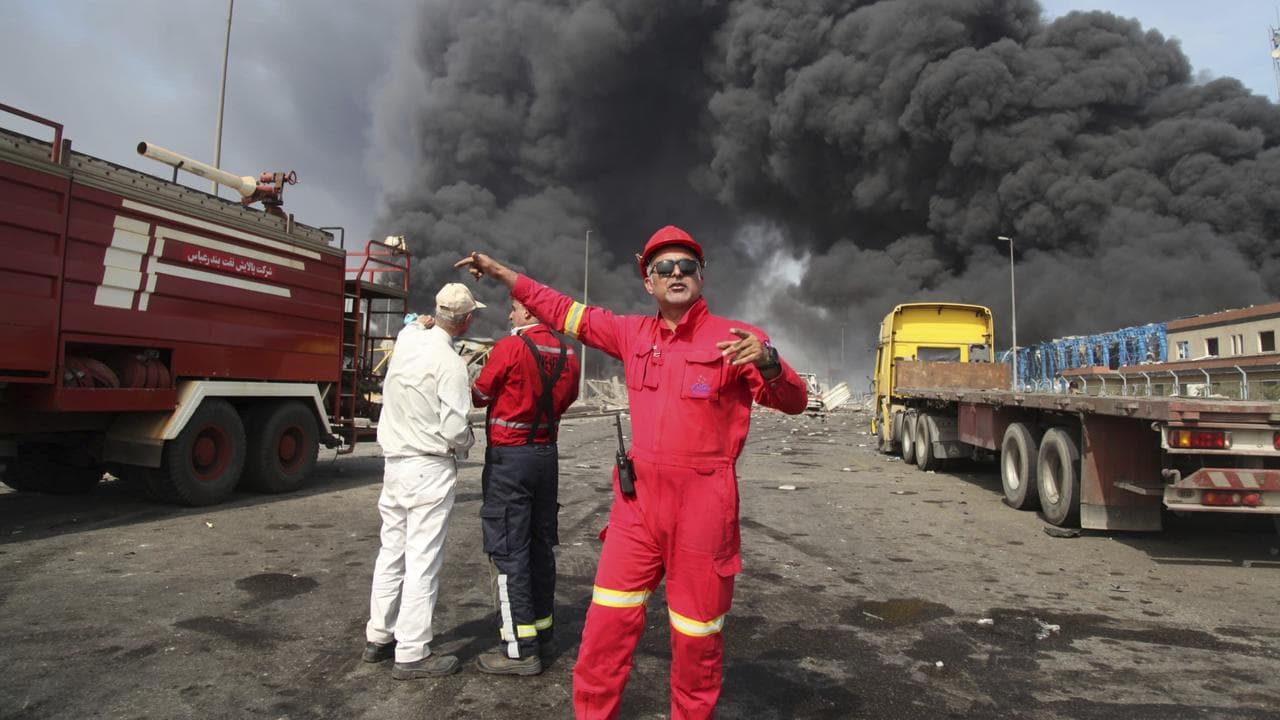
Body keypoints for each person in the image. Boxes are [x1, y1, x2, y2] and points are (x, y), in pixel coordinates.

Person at [455, 225, 808, 718]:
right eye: (664, 268)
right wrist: (504, 275)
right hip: (637, 510)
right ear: (649, 282)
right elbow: (561, 310)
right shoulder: (630, 334)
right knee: (605, 629)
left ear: (701, 277)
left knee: (695, 638)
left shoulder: (738, 340)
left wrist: (770, 364)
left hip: (704, 509)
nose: (676, 273)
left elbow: (793, 402)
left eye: (687, 266)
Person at [362, 282, 484, 680]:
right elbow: (454, 427)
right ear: (466, 321)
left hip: (394, 465)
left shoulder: (408, 339)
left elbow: (413, 325)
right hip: (429, 467)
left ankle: (379, 636)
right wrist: (468, 440)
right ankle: (412, 653)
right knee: (423, 559)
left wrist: (419, 322)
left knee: (391, 550)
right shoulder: (450, 364)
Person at [470, 297, 581, 676]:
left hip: (510, 461)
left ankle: (519, 650)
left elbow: (479, 393)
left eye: (514, 309)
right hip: (546, 457)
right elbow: (568, 398)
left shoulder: (511, 347)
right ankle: (542, 630)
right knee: (539, 546)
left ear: (530, 313)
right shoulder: (569, 351)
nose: (510, 314)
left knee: (507, 552)